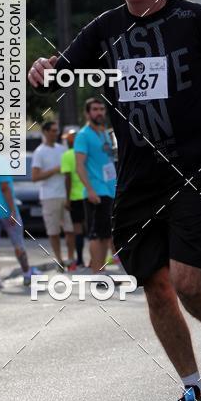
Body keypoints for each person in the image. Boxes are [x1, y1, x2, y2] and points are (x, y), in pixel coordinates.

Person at [28, 0, 201, 401]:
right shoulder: (106, 30)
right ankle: (194, 389)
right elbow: (60, 70)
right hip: (136, 181)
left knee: (186, 279)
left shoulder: (192, 21)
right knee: (155, 286)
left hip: (192, 170)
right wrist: (44, 66)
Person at [0, 133, 40, 288]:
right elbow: (5, 187)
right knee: (17, 242)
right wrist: (12, 210)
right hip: (4, 208)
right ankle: (26, 273)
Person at [75, 99, 117, 276]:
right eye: (95, 109)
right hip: (96, 190)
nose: (99, 112)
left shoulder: (105, 134)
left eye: (101, 109)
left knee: (106, 234)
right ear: (87, 113)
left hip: (110, 189)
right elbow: (79, 165)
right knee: (97, 234)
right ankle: (96, 273)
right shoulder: (83, 135)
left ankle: (102, 270)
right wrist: (90, 189)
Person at [32, 121, 75, 271]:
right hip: (49, 196)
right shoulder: (39, 152)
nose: (55, 133)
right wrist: (55, 170)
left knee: (70, 229)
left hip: (65, 193)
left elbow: (69, 173)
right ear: (45, 132)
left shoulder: (62, 149)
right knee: (53, 231)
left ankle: (71, 259)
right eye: (52, 130)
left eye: (57, 130)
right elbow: (35, 176)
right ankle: (59, 260)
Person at [61, 129, 87, 268]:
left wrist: (67, 199)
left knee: (78, 229)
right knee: (90, 228)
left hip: (75, 197)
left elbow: (68, 178)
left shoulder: (67, 155)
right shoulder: (85, 153)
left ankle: (80, 260)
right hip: (88, 194)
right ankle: (95, 259)